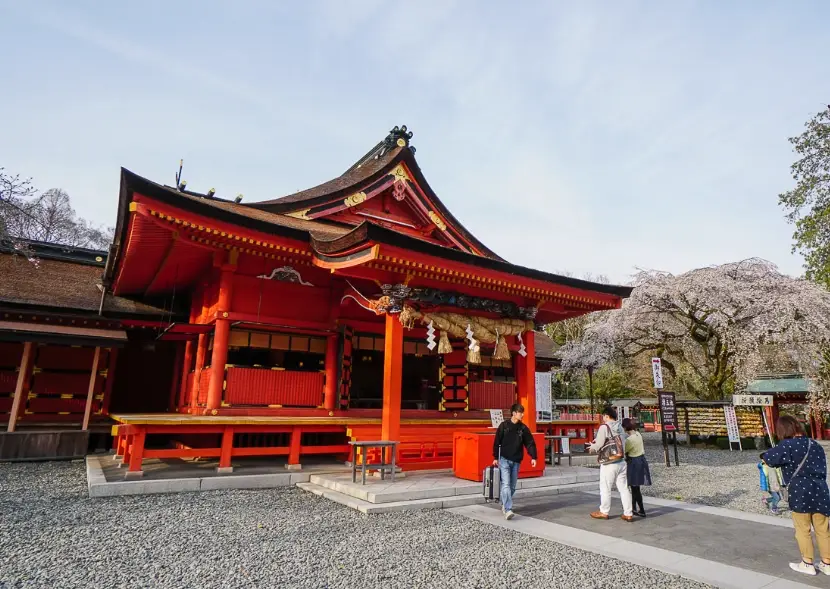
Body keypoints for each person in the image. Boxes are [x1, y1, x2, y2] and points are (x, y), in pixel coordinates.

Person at [761, 415, 830, 576]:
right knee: (823, 529)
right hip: (821, 490)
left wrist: (763, 458)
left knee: (803, 529)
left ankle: (807, 563)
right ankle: (827, 563)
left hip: (800, 491)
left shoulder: (787, 445)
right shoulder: (815, 445)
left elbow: (769, 458)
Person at [492, 403, 538, 521]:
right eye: (520, 412)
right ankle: (508, 509)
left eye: (522, 412)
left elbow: (530, 443)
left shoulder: (523, 429)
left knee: (512, 487)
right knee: (506, 484)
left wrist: (533, 457)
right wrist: (495, 457)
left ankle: (504, 503)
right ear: (514, 413)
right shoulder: (504, 426)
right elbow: (497, 442)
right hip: (504, 460)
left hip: (516, 460)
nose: (522, 414)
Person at [588, 407, 634, 522]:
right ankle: (628, 513)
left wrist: (591, 447)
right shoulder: (620, 427)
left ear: (607, 416)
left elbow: (598, 445)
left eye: (604, 416)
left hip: (609, 462)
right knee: (624, 489)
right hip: (621, 461)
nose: (603, 419)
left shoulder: (604, 427)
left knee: (605, 488)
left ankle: (604, 511)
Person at [622, 418, 651, 517]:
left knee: (634, 487)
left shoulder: (629, 440)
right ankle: (634, 508)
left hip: (633, 462)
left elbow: (624, 451)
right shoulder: (638, 434)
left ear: (625, 428)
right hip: (641, 460)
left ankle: (641, 509)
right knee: (635, 487)